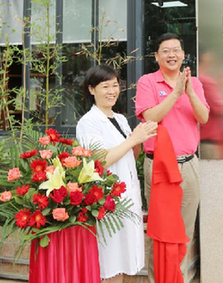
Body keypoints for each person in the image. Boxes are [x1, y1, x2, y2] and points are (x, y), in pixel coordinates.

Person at [135, 33, 209, 283]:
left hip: (189, 165)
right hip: (159, 166)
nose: (171, 55)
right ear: (157, 56)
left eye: (176, 50)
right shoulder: (147, 82)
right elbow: (151, 117)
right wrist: (176, 93)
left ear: (183, 55)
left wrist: (189, 92)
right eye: (165, 51)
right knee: (161, 233)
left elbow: (203, 118)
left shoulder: (194, 83)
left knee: (184, 233)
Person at [76, 65, 158, 283]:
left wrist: (138, 139)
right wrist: (133, 140)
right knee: (111, 259)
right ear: (91, 89)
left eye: (115, 85)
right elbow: (99, 160)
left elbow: (130, 155)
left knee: (127, 258)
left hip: (127, 195)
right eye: (105, 86)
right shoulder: (88, 122)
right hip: (107, 198)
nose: (112, 91)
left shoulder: (120, 119)